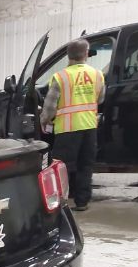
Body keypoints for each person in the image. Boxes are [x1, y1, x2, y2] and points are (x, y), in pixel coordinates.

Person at [40, 38, 106, 211]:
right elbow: (101, 98)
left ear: (68, 56)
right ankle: (82, 202)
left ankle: (60, 203)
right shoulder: (97, 74)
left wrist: (44, 121)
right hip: (90, 127)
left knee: (62, 167)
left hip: (67, 129)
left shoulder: (61, 77)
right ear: (86, 54)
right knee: (86, 165)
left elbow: (50, 106)